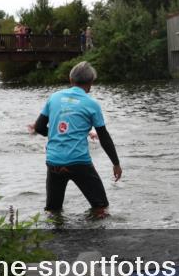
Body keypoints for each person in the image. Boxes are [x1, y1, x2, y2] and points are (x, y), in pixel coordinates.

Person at [28, 61, 123, 217]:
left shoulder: (54, 98)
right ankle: (96, 239)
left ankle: (55, 239)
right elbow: (104, 137)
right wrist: (116, 164)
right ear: (91, 83)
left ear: (70, 80)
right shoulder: (92, 104)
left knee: (53, 210)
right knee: (101, 207)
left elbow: (38, 127)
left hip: (54, 162)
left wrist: (53, 135)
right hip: (79, 163)